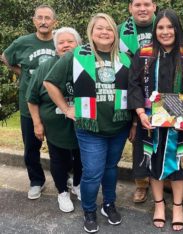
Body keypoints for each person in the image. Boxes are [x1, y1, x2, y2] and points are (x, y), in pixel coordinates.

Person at [44, 13, 134, 233]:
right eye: (99, 28)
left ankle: (109, 204)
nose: (104, 32)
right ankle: (89, 210)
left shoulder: (126, 58)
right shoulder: (76, 56)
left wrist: (133, 124)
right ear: (91, 33)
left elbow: (135, 92)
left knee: (111, 168)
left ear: (115, 33)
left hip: (118, 126)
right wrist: (66, 109)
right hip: (90, 128)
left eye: (109, 29)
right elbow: (50, 82)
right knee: (93, 172)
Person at [128, 9, 183, 231]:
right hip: (150, 119)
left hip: (181, 119)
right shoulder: (144, 53)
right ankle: (159, 205)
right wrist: (140, 113)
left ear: (177, 28)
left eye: (170, 27)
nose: (165, 31)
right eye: (160, 27)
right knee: (153, 160)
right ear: (155, 29)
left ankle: (177, 206)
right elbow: (134, 84)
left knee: (180, 162)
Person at [1, 5, 57, 200]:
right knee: (31, 148)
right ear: (34, 21)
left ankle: (64, 177)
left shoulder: (60, 42)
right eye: (39, 18)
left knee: (61, 146)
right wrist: (22, 72)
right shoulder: (23, 42)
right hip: (28, 105)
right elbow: (5, 58)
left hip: (55, 106)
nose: (43, 21)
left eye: (47, 18)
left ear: (54, 22)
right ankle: (36, 181)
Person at [26, 27, 83, 213]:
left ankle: (77, 184)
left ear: (78, 44)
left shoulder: (85, 63)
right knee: (58, 159)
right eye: (61, 42)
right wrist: (37, 123)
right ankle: (62, 193)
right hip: (55, 125)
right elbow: (32, 97)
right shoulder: (46, 66)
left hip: (81, 124)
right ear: (56, 46)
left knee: (81, 158)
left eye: (70, 41)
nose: (66, 45)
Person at [118, 0, 156, 204]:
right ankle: (141, 183)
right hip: (131, 88)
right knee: (140, 139)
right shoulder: (119, 30)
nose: (142, 8)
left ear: (154, 7)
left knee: (163, 135)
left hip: (160, 89)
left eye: (147, 4)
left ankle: (164, 178)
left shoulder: (164, 24)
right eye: (138, 4)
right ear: (130, 8)